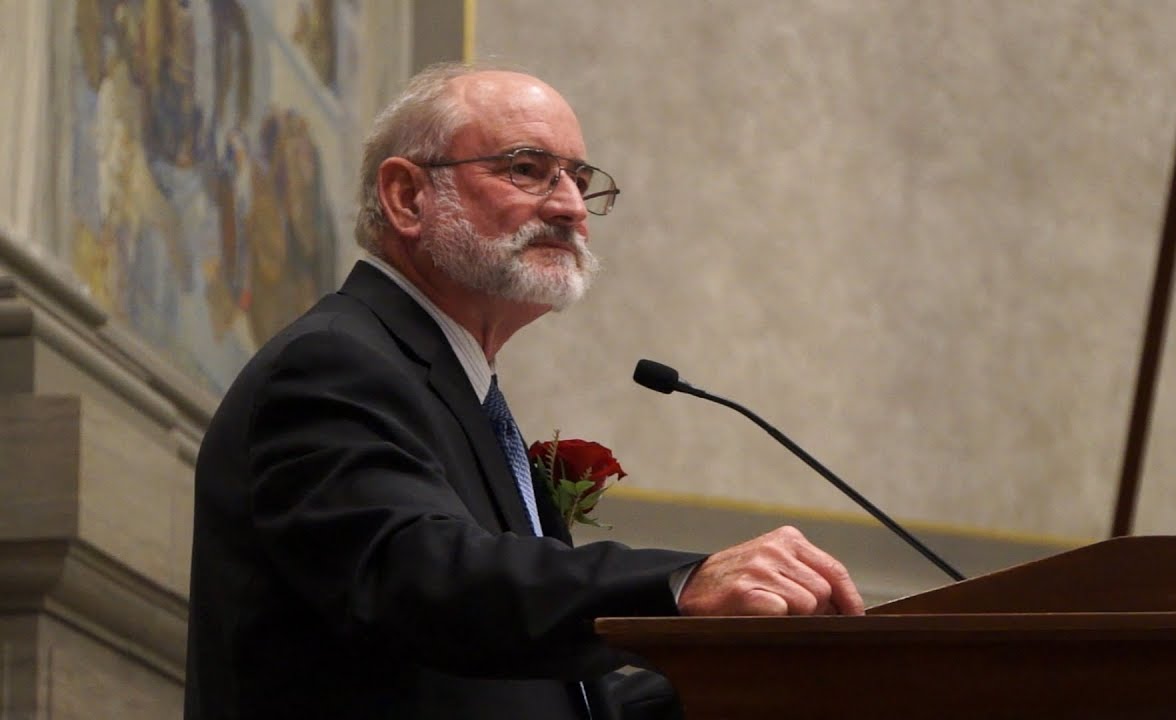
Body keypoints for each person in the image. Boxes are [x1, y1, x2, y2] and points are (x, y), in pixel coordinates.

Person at [183, 61, 863, 720]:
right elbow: (425, 579)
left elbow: (539, 693)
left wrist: (760, 686)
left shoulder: (465, 401)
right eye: (527, 169)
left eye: (579, 180)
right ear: (408, 196)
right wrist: (682, 584)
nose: (569, 207)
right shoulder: (333, 364)